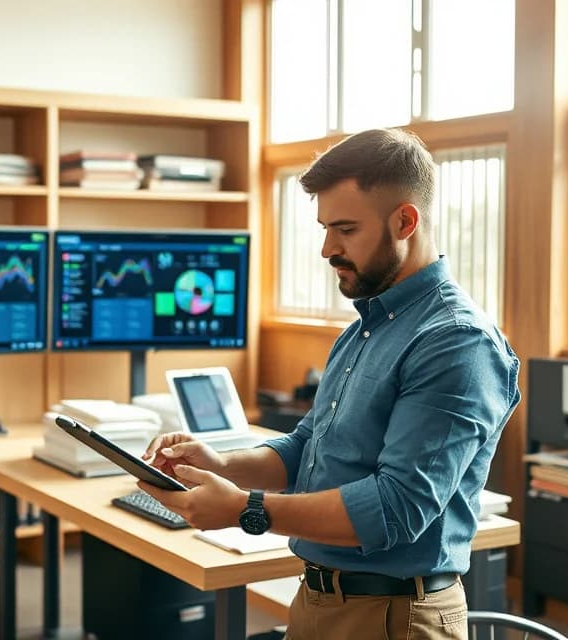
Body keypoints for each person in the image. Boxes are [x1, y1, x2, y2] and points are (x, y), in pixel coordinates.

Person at [139, 128, 520, 640]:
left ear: (405, 220)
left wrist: (243, 508)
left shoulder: (456, 343)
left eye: (344, 230)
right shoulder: (366, 328)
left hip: (394, 617)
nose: (326, 249)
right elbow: (307, 449)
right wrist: (221, 464)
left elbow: (396, 507)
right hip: (319, 599)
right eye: (324, 228)